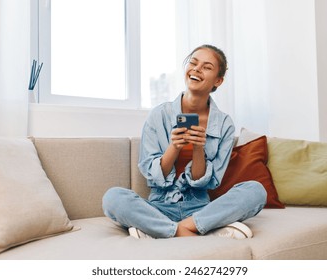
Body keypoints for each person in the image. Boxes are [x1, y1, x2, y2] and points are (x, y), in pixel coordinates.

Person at [102, 44, 267, 239]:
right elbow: (151, 175)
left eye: (206, 67)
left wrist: (198, 149)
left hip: (200, 209)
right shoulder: (159, 115)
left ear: (218, 80)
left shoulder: (223, 124)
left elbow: (210, 182)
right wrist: (174, 147)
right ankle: (190, 231)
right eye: (193, 63)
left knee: (255, 191)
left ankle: (161, 229)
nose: (196, 69)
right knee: (113, 198)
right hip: (158, 206)